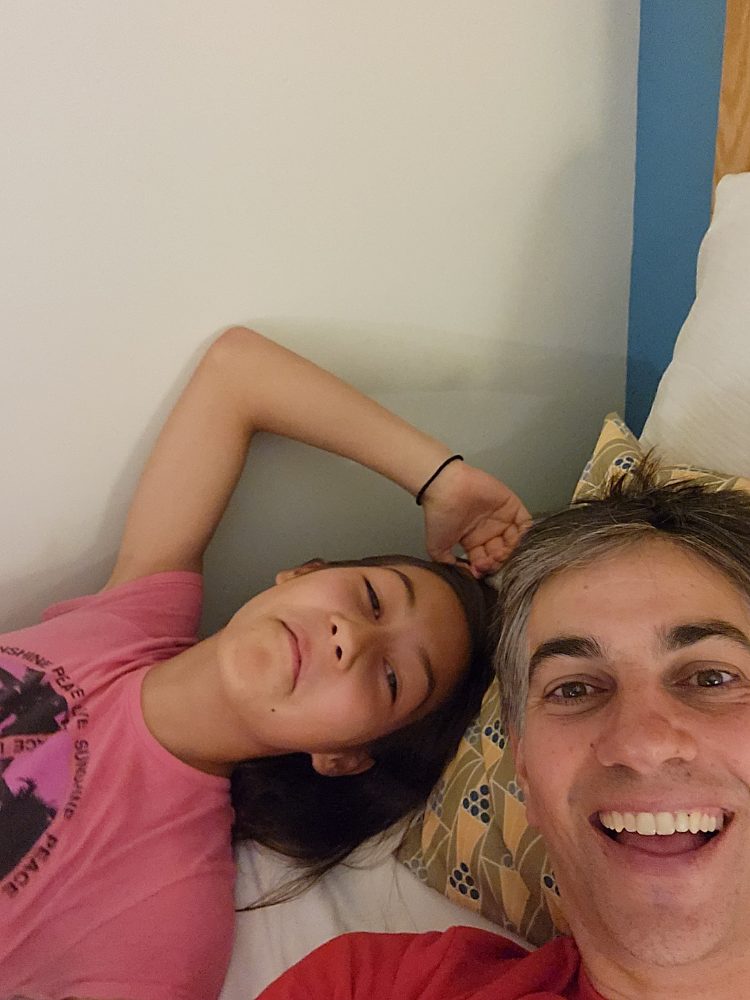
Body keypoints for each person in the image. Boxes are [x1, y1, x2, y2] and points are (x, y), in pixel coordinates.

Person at [0, 327, 529, 1000]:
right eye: (370, 599)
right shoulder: (136, 614)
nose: (350, 639)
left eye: (392, 678)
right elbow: (237, 371)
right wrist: (441, 481)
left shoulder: (167, 915)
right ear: (300, 573)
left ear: (343, 757)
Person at [258, 462, 750, 1000]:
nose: (641, 745)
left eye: (713, 678)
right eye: (574, 689)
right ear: (524, 770)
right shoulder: (373, 986)